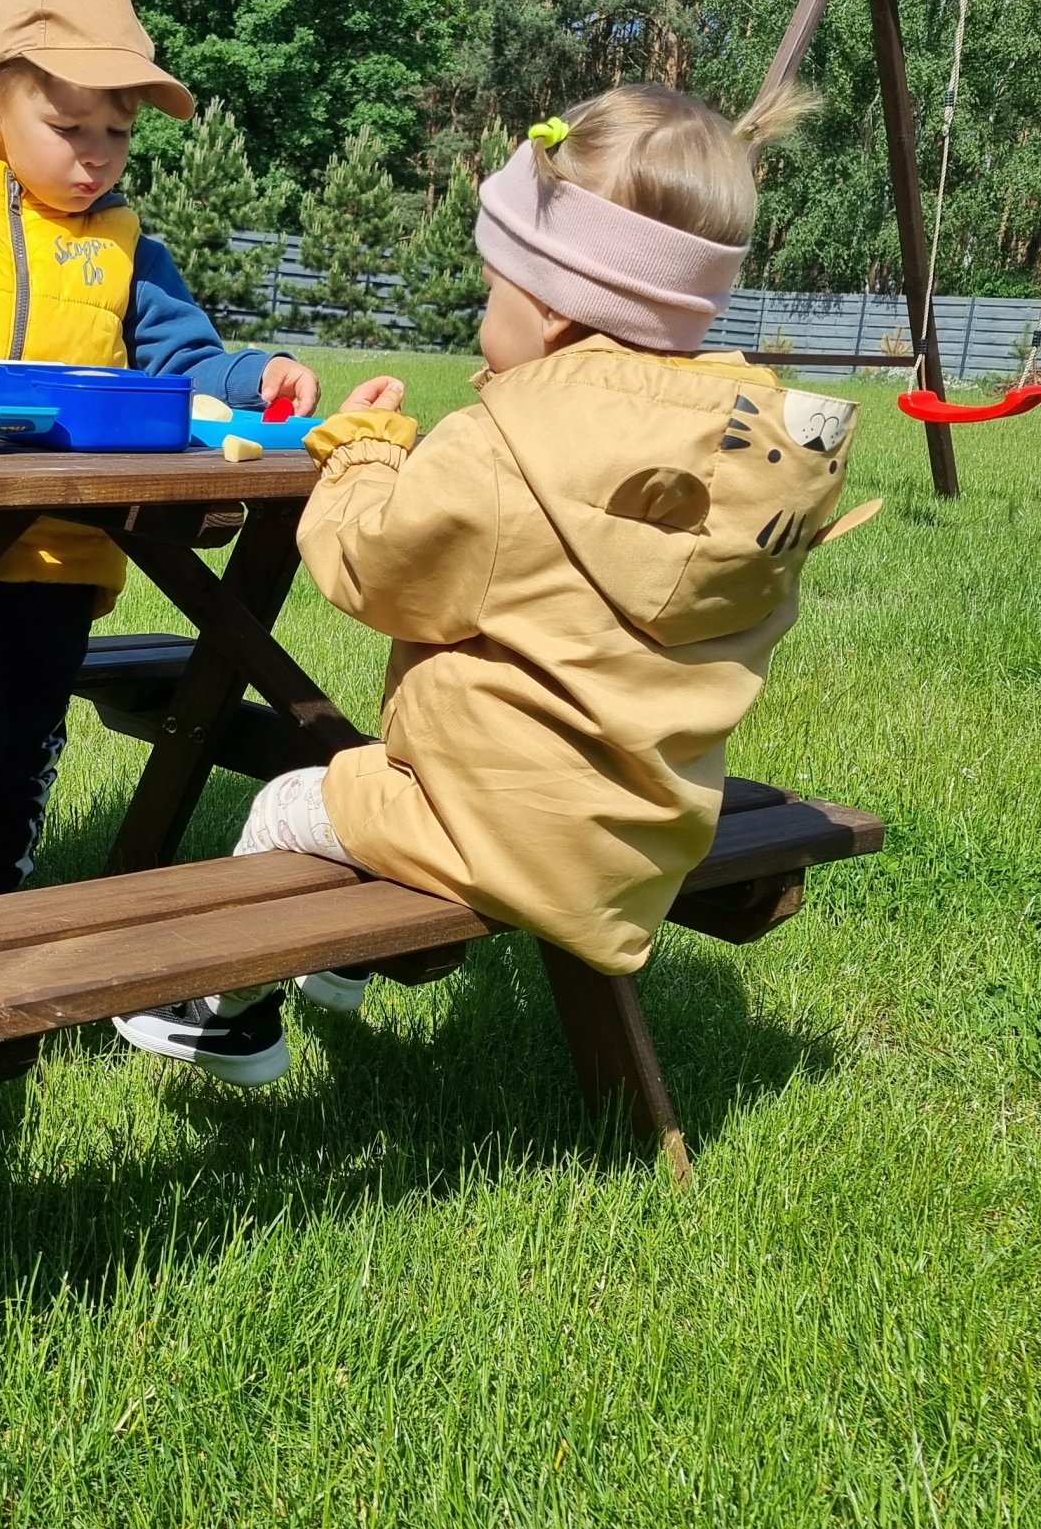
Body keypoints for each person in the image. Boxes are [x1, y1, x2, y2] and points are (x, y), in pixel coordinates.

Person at [115, 81, 876, 1086]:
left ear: (554, 310)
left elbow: (370, 573)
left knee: (295, 799)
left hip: (492, 825)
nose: (485, 313)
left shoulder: (504, 444)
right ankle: (342, 974)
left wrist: (365, 459)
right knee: (380, 777)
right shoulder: (755, 456)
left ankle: (213, 1016)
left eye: (491, 289)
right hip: (644, 834)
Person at [0, 0, 321, 912]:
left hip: (68, 546)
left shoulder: (128, 247)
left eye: (118, 133)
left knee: (29, 739)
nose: (96, 155)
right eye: (69, 127)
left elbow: (184, 361)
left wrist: (258, 376)